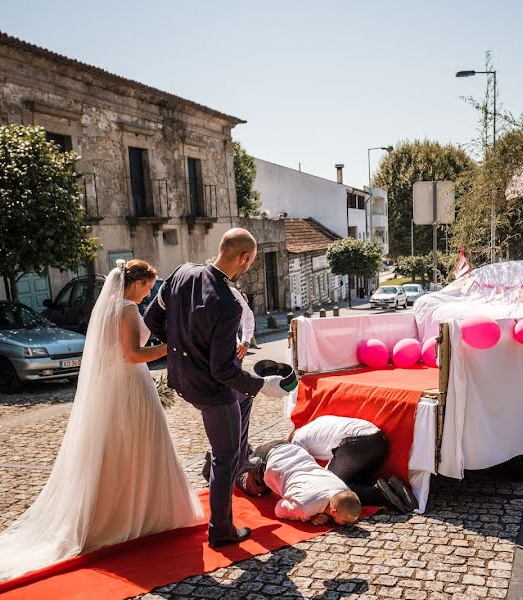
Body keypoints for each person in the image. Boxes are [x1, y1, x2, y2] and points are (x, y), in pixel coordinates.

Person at [0, 260, 205, 589]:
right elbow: (133, 355)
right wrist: (174, 348)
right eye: (148, 287)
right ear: (135, 284)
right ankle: (140, 515)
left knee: (117, 448)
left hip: (114, 388)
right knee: (140, 445)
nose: (150, 293)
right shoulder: (129, 310)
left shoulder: (107, 308)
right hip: (132, 386)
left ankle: (121, 512)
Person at [144, 228, 287, 548]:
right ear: (245, 258)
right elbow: (222, 370)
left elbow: (152, 318)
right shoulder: (227, 302)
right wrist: (263, 384)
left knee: (244, 399)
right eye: (250, 262)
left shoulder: (181, 272)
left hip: (180, 377)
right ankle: (221, 528)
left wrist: (179, 345)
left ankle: (238, 457)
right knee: (225, 454)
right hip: (209, 389)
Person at [289, 415, 417, 513]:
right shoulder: (316, 423)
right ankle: (391, 487)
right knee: (350, 478)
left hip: (356, 445)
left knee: (332, 486)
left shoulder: (296, 441)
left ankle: (378, 494)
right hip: (378, 441)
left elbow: (301, 469)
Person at [240, 440, 361, 526]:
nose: (349, 525)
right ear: (333, 512)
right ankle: (237, 458)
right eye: (345, 522)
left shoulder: (343, 488)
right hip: (265, 459)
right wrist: (308, 517)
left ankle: (244, 449)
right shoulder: (304, 507)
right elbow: (279, 510)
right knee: (253, 489)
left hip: (289, 447)